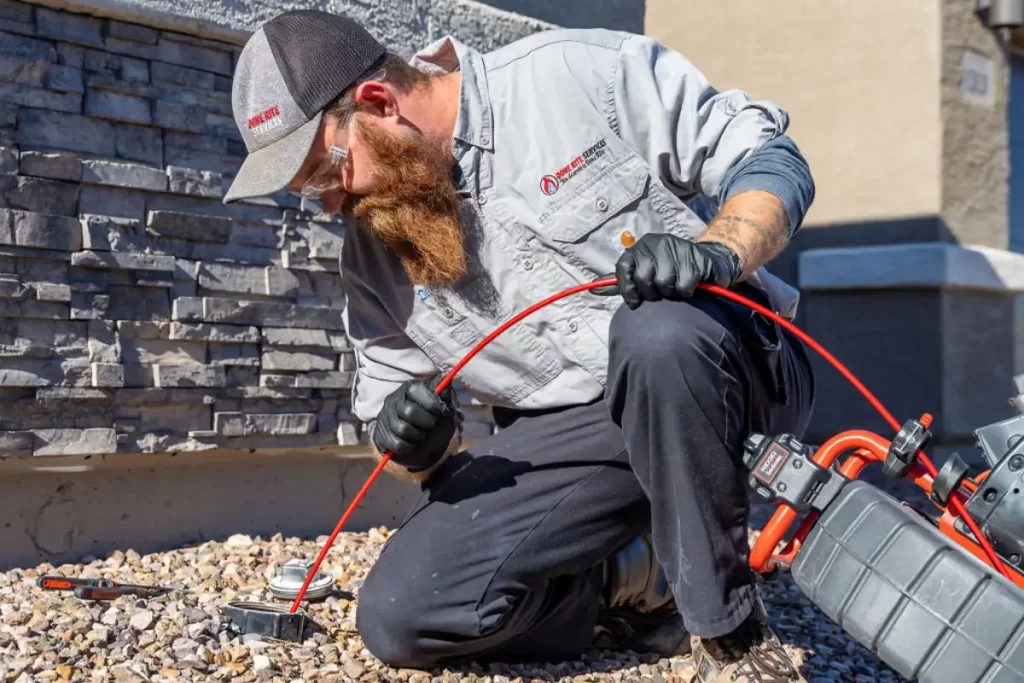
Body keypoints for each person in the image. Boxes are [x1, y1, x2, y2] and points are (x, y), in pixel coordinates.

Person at [224, 9, 817, 683]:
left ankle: (728, 630)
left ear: (379, 103)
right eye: (310, 192)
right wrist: (415, 446)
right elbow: (393, 423)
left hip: (726, 371)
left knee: (657, 332)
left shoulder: (573, 75)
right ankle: (634, 577)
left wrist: (716, 251)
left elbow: (772, 159)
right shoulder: (374, 253)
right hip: (588, 436)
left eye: (325, 174)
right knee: (403, 615)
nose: (331, 205)